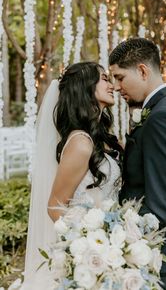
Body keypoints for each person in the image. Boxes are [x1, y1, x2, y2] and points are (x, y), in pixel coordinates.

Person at [22, 62, 122, 289]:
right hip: (91, 252)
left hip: (109, 245)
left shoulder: (97, 138)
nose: (113, 86)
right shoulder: (81, 143)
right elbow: (55, 206)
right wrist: (89, 242)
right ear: (85, 87)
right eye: (105, 79)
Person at [109, 38, 166, 290]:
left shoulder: (163, 117)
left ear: (143, 71)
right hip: (155, 250)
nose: (116, 87)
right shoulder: (164, 109)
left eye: (120, 77)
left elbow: (161, 204)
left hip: (157, 254)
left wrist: (117, 238)